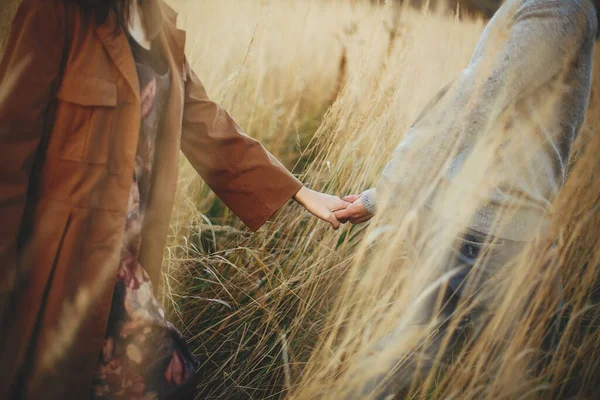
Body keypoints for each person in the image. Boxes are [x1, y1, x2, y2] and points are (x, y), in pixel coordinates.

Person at [0, 0, 350, 398]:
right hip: (64, 269)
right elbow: (7, 155)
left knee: (162, 379)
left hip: (129, 263)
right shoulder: (54, 12)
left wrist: (298, 191)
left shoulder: (158, 25)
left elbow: (205, 124)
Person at [334, 0, 598, 397]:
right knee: (543, 372)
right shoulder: (559, 8)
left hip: (478, 219)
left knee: (420, 348)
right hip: (498, 227)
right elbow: (475, 99)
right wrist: (386, 192)